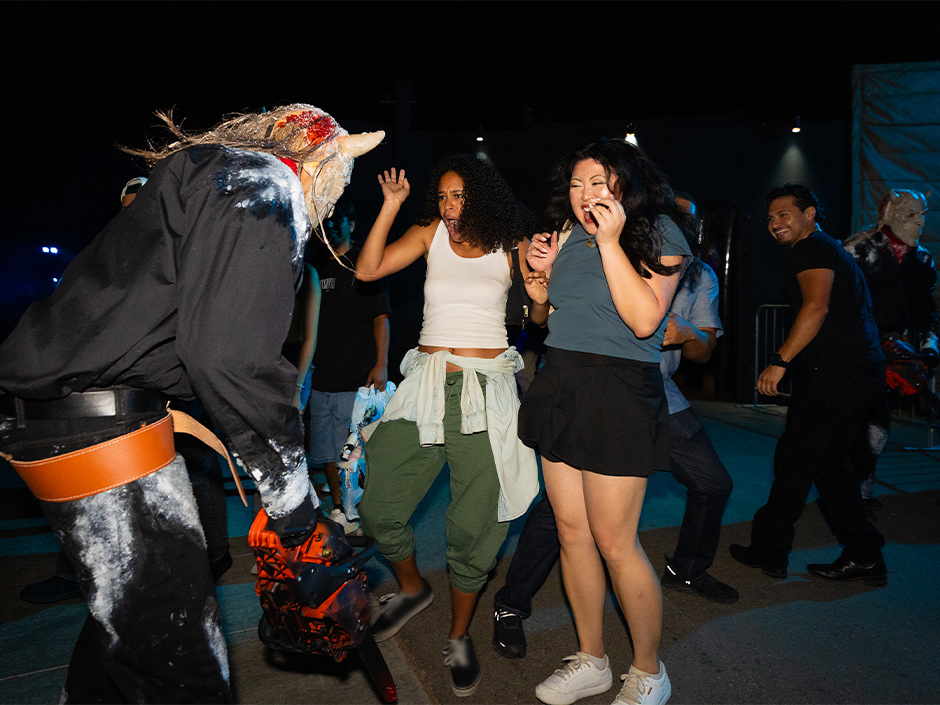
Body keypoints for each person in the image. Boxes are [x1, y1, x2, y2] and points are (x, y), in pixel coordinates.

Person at [0, 104, 383, 703]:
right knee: (184, 668)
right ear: (321, 168)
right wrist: (295, 507)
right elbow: (231, 358)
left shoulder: (209, 172)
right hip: (98, 434)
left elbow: (184, 341)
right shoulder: (266, 184)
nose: (328, 212)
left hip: (71, 420)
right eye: (334, 193)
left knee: (125, 636)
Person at [491, 193, 736, 665]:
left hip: (656, 392)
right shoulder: (594, 247)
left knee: (710, 483)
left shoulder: (697, 276)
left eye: (685, 223)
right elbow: (549, 318)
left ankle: (685, 571)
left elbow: (704, 347)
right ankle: (512, 605)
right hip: (590, 388)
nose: (676, 228)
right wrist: (541, 289)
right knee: (563, 521)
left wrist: (687, 333)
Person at [355, 155, 545, 697]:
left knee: (474, 524)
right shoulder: (430, 233)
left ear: (481, 196)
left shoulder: (512, 242)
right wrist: (391, 207)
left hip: (486, 390)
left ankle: (459, 635)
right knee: (377, 506)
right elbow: (367, 270)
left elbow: (538, 319)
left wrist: (538, 300)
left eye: (458, 196)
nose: (449, 206)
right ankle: (413, 588)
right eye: (442, 196)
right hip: (427, 385)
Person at [520, 138, 694, 705]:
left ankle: (648, 672)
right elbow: (548, 322)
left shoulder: (661, 233)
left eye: (598, 182)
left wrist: (611, 242)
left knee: (616, 541)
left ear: (625, 183)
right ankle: (592, 658)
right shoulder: (567, 236)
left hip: (619, 389)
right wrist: (538, 288)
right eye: (576, 184)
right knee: (571, 534)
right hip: (563, 380)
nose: (584, 194)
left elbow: (645, 320)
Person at [731, 184, 887, 586]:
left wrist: (779, 362)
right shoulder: (829, 249)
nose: (775, 223)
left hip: (836, 375)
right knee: (829, 465)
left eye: (784, 214)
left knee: (795, 459)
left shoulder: (812, 249)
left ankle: (771, 550)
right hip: (859, 373)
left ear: (810, 213)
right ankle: (865, 555)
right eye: (769, 218)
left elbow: (816, 307)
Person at [843, 189, 938, 502]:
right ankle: (848, 493)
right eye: (913, 214)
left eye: (923, 214)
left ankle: (860, 493)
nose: (922, 222)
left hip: (889, 356)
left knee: (876, 430)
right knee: (843, 428)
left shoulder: (922, 260)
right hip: (853, 353)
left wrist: (929, 345)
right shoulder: (857, 250)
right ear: (894, 215)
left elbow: (925, 312)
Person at [307, 195, 390, 532]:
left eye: (337, 219)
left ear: (351, 224)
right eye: (325, 220)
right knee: (327, 451)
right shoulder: (318, 266)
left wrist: (381, 364)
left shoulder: (363, 265)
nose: (330, 225)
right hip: (321, 378)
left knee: (350, 453)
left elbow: (380, 318)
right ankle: (340, 508)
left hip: (354, 377)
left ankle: (361, 509)